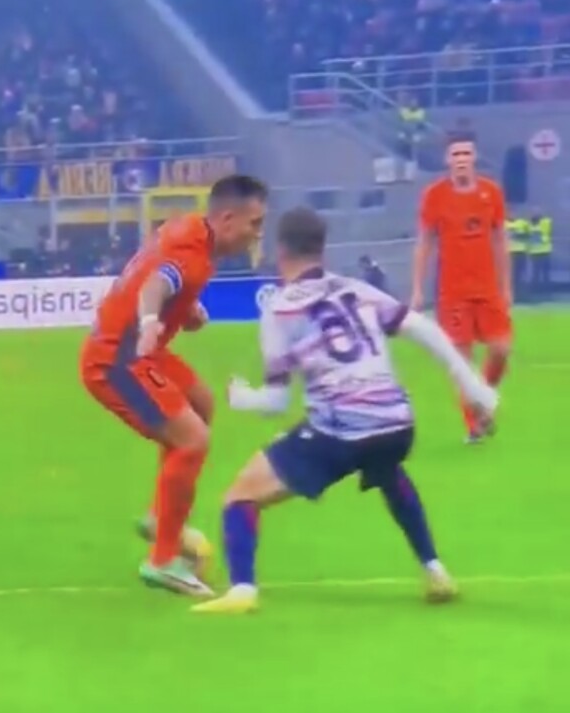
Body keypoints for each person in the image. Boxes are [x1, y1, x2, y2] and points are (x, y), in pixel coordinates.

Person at [192, 207, 498, 615]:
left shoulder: (281, 310)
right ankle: (435, 569)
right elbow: (423, 329)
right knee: (387, 469)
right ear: (322, 249)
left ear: (280, 251)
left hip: (341, 429)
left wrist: (241, 397)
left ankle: (242, 591)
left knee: (240, 497)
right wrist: (475, 389)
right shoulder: (356, 288)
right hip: (397, 423)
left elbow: (276, 402)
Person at [80, 175, 268, 597]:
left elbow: (158, 271)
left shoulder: (188, 230)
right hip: (118, 359)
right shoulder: (192, 253)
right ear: (227, 218)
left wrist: (186, 309)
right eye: (254, 223)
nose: (258, 233)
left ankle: (158, 517)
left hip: (137, 350)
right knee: (193, 439)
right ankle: (163, 560)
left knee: (201, 404)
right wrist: (151, 320)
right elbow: (155, 285)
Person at [411, 132, 511, 443]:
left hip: (487, 289)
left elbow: (500, 240)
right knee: (462, 362)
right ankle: (474, 426)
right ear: (447, 159)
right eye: (456, 154)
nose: (461, 159)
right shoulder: (435, 196)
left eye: (466, 153)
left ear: (474, 157)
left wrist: (506, 286)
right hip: (452, 293)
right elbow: (425, 243)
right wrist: (417, 288)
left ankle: (484, 397)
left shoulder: (491, 193)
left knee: (501, 349)